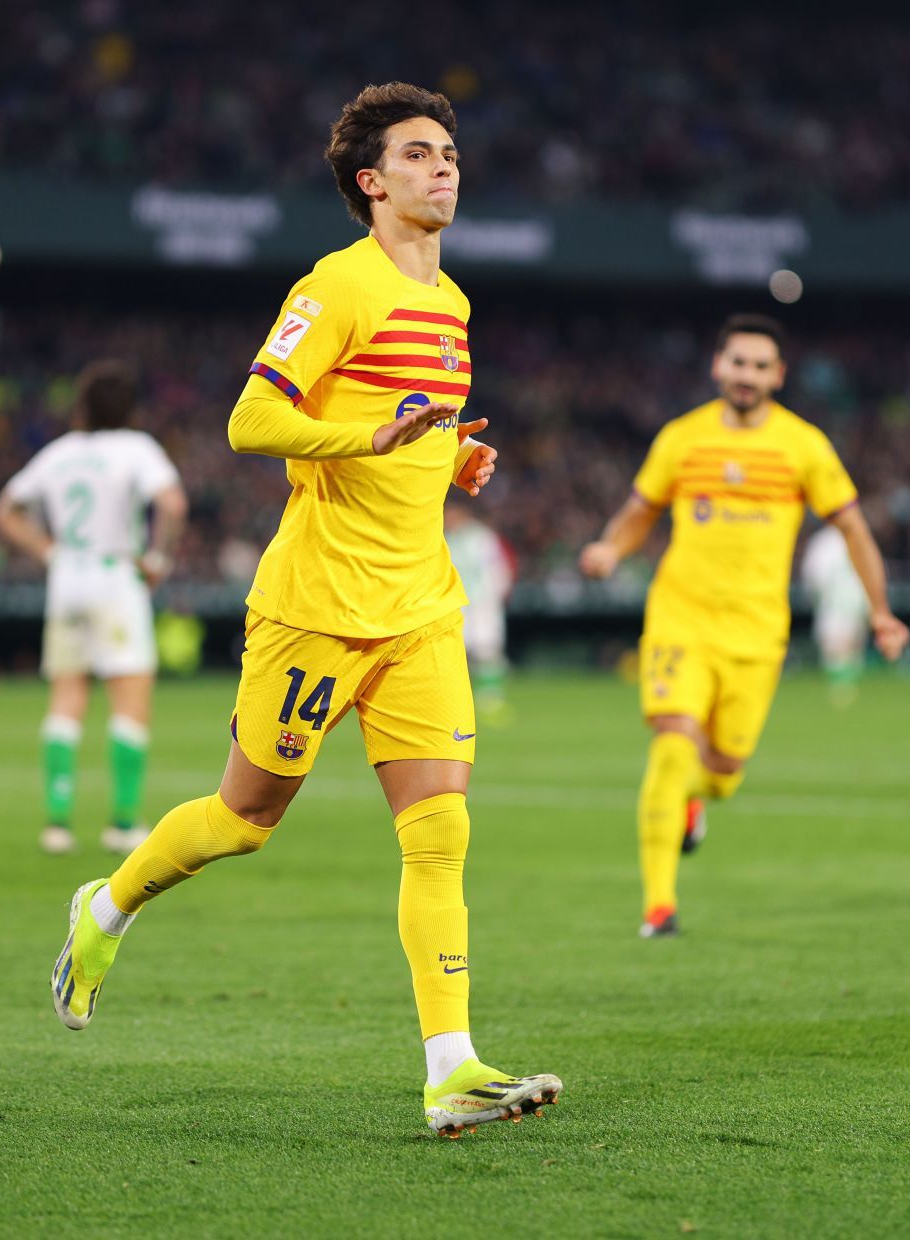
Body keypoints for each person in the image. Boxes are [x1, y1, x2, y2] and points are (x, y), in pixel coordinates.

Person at [47, 82, 560, 1137]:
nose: (445, 167)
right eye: (420, 155)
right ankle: (104, 908)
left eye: (450, 152)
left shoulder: (451, 302)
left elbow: (404, 421)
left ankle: (450, 1065)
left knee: (440, 834)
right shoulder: (336, 287)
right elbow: (250, 419)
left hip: (419, 606)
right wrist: (368, 439)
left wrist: (447, 454)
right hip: (318, 605)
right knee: (244, 819)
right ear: (372, 183)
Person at [580, 314, 907, 938]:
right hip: (681, 617)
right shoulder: (683, 437)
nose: (748, 375)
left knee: (724, 773)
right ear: (718, 366)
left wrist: (881, 610)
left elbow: (853, 528)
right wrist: (610, 550)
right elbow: (640, 508)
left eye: (761, 366)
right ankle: (659, 906)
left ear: (779, 375)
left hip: (757, 632)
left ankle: (695, 803)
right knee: (673, 745)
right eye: (738, 362)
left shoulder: (804, 446)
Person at [0, 361, 189, 856]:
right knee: (129, 699)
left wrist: (46, 551)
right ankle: (123, 821)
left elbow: (3, 511)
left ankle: (57, 824)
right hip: (115, 577)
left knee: (66, 698)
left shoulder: (58, 454)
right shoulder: (136, 448)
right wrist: (160, 557)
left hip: (67, 579)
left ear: (81, 407)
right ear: (131, 409)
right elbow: (173, 503)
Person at [444, 505, 516, 723]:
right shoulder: (444, 538)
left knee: (487, 651)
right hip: (454, 605)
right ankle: (452, 703)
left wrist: (495, 595)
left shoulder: (482, 538)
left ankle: (490, 699)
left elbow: (498, 568)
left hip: (482, 604)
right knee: (453, 654)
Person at [799, 522, 872, 707]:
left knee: (837, 648)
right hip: (857, 600)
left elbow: (813, 576)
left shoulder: (824, 542)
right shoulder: (859, 535)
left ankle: (842, 692)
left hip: (834, 603)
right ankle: (849, 691)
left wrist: (814, 598)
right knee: (849, 647)